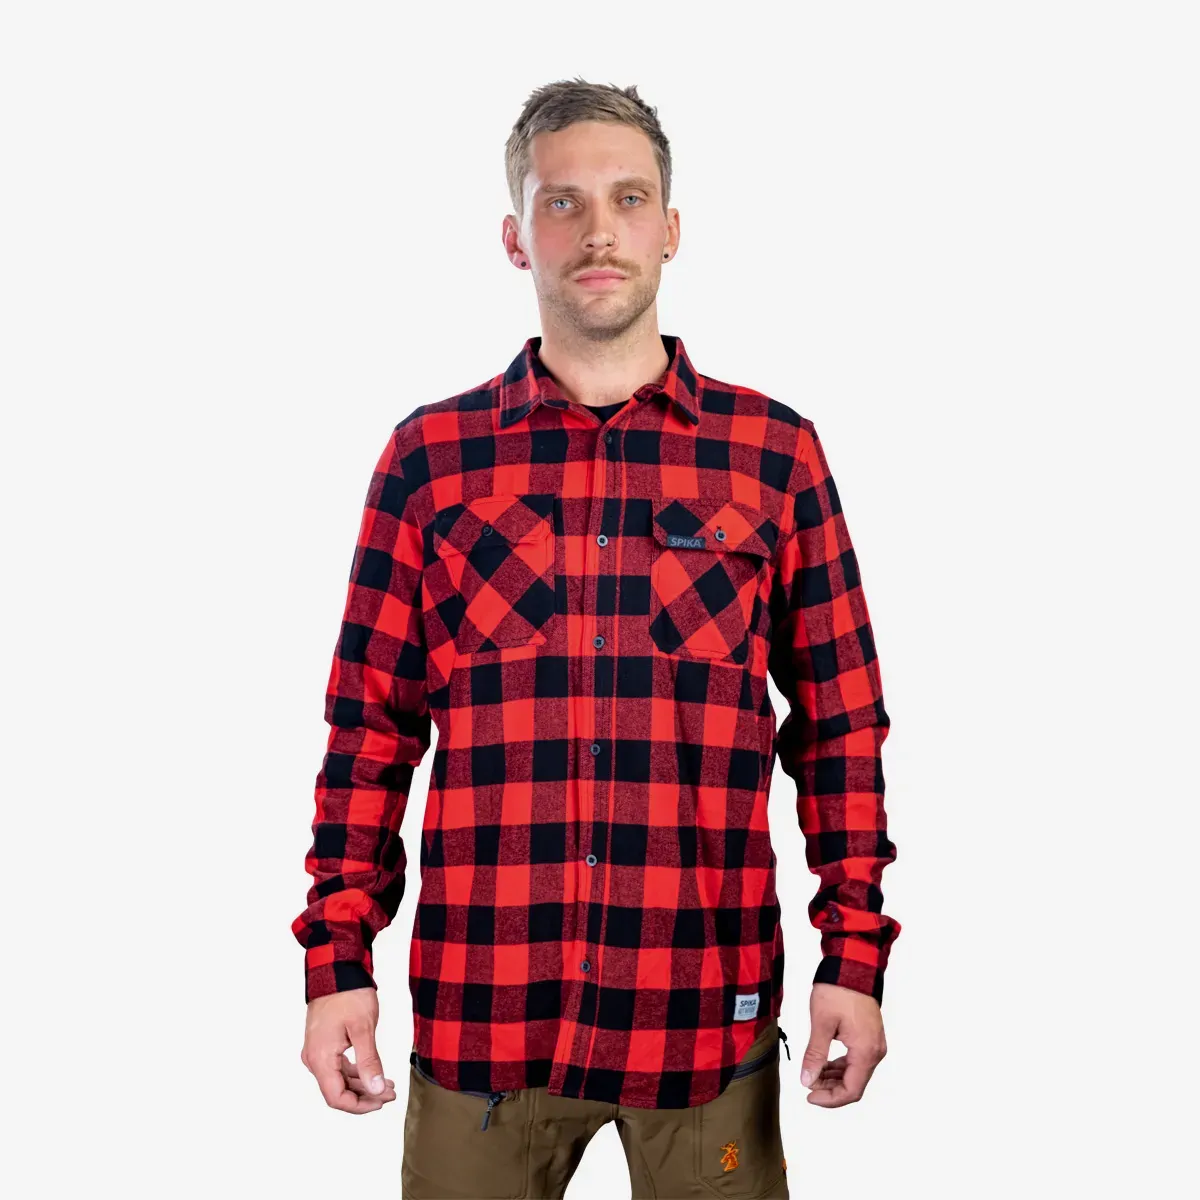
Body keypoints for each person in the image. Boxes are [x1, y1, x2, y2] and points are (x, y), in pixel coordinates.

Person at [293, 77, 901, 1199]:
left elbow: (841, 728)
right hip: (487, 1017)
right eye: (562, 202)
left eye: (629, 198)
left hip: (702, 1020)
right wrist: (337, 961)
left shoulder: (775, 456)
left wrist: (853, 957)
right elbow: (368, 731)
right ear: (516, 237)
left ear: (670, 229)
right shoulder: (430, 461)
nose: (599, 230)